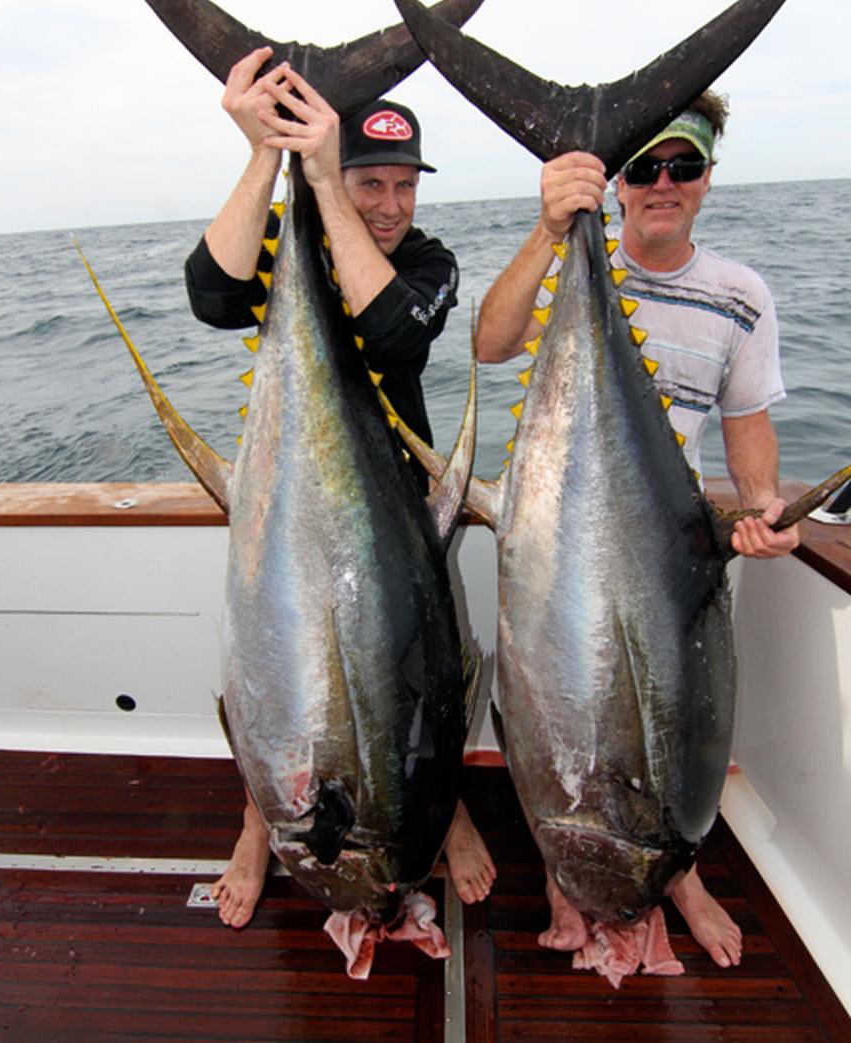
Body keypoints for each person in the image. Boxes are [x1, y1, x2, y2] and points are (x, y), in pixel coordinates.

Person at [474, 91, 800, 968]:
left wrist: (764, 511)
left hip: (670, 555)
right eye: (645, 166)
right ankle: (563, 859)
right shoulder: (567, 249)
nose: (664, 183)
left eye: (683, 166)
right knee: (554, 697)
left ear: (703, 180)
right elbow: (490, 341)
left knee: (669, 725)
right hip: (558, 536)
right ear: (618, 182)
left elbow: (748, 430)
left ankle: (676, 872)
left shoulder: (741, 295)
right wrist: (550, 228)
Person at [185, 47, 496, 928]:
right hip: (291, 522)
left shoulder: (429, 261)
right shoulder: (294, 246)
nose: (392, 206)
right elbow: (211, 295)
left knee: (429, 684)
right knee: (279, 679)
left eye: (405, 186)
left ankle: (449, 806)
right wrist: (266, 155)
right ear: (340, 176)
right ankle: (257, 821)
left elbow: (394, 333)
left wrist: (324, 180)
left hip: (402, 525)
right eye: (370, 184)